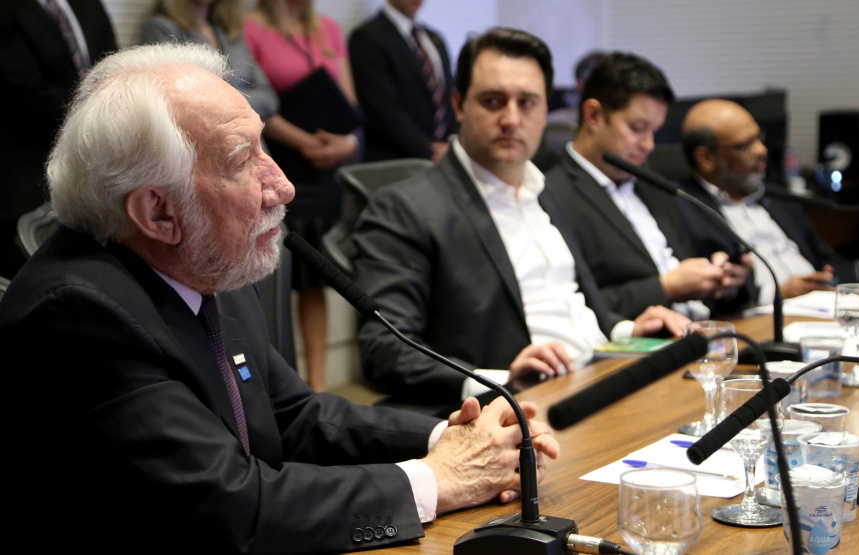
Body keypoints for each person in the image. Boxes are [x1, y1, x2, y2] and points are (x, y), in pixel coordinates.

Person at [0, 42, 559, 553]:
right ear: (157, 212)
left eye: (264, 145)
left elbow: (292, 416)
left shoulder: (205, 265)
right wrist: (439, 479)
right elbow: (230, 506)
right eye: (242, 160)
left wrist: (452, 437)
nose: (283, 185)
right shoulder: (77, 315)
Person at [353, 28, 689, 406]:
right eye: (493, 101)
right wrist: (498, 381)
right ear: (460, 105)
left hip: (600, 378)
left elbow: (571, 304)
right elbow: (384, 348)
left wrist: (628, 329)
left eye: (527, 103)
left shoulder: (544, 192)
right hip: (520, 410)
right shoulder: (407, 207)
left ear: (547, 111)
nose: (511, 119)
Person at [545, 53, 750, 320]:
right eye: (637, 128)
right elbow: (570, 306)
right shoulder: (552, 194)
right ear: (593, 115)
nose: (648, 145)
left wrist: (724, 280)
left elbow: (692, 266)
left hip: (706, 333)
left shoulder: (653, 184)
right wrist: (666, 289)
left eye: (654, 131)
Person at [244, 0, 360, 391]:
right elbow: (254, 106)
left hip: (325, 170)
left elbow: (350, 103)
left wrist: (346, 144)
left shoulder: (327, 27)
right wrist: (306, 141)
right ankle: (277, 383)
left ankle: (318, 385)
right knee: (272, 276)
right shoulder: (252, 28)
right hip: (283, 163)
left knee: (314, 277)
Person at [679, 99, 852, 303]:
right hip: (764, 316)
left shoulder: (775, 197)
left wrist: (832, 280)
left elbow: (827, 257)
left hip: (821, 307)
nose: (762, 150)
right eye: (745, 145)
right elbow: (713, 295)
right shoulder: (684, 208)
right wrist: (777, 295)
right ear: (706, 158)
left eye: (759, 138)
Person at [0, 0, 117, 278]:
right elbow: (25, 93)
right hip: (25, 179)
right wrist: (106, 117)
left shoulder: (88, 5)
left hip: (93, 174)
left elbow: (114, 64)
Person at [348, 0, 456, 162]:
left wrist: (454, 146)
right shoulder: (367, 37)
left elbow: (449, 99)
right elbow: (381, 109)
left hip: (443, 158)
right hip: (396, 162)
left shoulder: (434, 38)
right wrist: (430, 151)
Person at [140, 0, 277, 122]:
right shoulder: (160, 28)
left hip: (251, 138)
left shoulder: (229, 29)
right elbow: (183, 102)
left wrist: (223, 104)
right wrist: (242, 103)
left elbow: (269, 99)